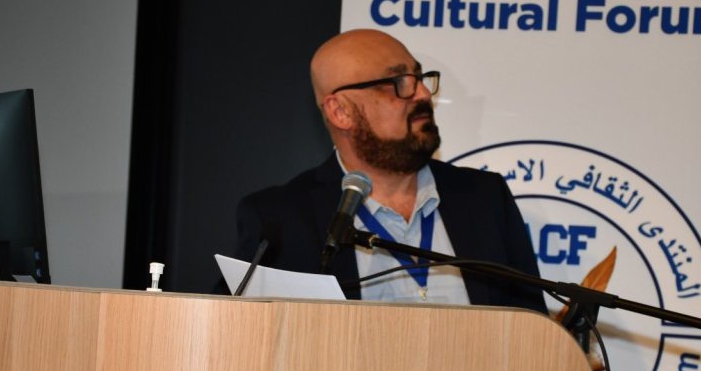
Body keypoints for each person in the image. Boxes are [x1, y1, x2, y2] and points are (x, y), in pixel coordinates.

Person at [231, 29, 546, 312]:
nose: (423, 94)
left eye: (419, 78)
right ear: (340, 111)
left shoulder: (485, 198)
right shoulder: (279, 221)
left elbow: (532, 333)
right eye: (398, 83)